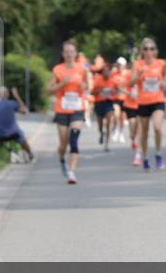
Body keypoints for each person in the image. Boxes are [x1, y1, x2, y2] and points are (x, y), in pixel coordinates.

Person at [48, 41, 90, 184]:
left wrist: (85, 86)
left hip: (77, 108)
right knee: (63, 144)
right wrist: (62, 84)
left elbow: (87, 86)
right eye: (66, 52)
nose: (69, 54)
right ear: (63, 54)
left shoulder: (81, 69)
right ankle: (61, 160)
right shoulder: (57, 69)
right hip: (62, 109)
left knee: (73, 138)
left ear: (76, 53)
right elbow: (48, 91)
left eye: (72, 51)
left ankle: (71, 173)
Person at [131, 37, 166, 172]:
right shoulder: (137, 64)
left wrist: (163, 83)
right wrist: (138, 76)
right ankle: (145, 157)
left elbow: (165, 79)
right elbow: (131, 83)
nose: (148, 51)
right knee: (144, 133)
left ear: (155, 51)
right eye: (146, 49)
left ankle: (158, 154)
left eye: (151, 49)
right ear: (142, 51)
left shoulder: (161, 63)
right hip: (143, 101)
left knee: (157, 127)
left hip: (158, 99)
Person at [0, 86, 34, 161]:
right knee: (21, 134)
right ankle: (30, 154)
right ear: (7, 94)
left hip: (0, 134)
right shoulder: (11, 104)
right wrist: (17, 96)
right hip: (13, 133)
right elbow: (25, 111)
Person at [92, 61, 119, 152]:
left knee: (108, 123)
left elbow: (117, 91)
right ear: (102, 72)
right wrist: (100, 90)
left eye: (108, 71)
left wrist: (112, 92)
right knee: (100, 123)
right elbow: (92, 92)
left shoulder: (113, 80)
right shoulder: (97, 80)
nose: (107, 73)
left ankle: (107, 144)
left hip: (108, 102)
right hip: (99, 103)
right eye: (105, 71)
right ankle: (101, 133)